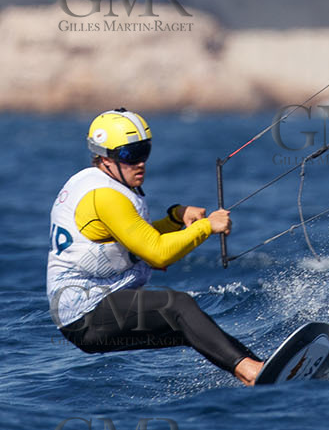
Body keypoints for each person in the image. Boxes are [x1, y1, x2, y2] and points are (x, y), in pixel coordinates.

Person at [47, 108, 266, 384]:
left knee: (190, 327)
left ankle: (256, 370)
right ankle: (252, 371)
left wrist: (175, 220)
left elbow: (137, 240)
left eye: (144, 151)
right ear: (104, 159)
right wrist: (207, 227)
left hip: (93, 310)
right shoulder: (104, 196)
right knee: (178, 306)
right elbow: (157, 253)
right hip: (87, 314)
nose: (140, 163)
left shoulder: (104, 183)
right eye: (129, 155)